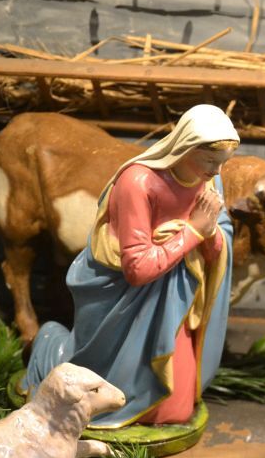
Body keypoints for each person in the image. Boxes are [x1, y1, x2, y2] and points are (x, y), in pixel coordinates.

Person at [22, 104, 238, 431]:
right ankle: (48, 343)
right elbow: (137, 269)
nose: (217, 171)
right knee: (103, 390)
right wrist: (193, 231)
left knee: (175, 410)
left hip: (176, 298)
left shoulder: (210, 182)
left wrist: (208, 233)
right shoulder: (138, 182)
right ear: (185, 147)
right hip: (124, 301)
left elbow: (217, 244)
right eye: (210, 160)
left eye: (223, 162)